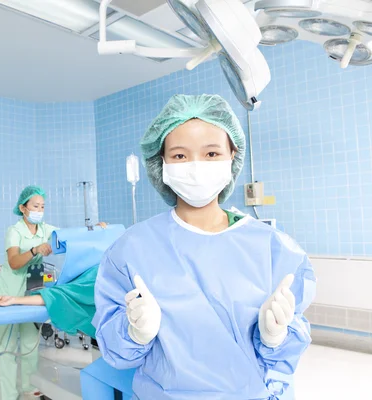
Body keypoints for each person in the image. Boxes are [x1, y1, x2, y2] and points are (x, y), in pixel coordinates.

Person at [92, 95, 316, 400]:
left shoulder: (273, 249)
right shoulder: (131, 250)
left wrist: (275, 337)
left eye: (211, 153)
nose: (196, 167)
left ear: (232, 155)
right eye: (181, 156)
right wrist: (134, 334)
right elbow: (117, 353)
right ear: (162, 163)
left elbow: (283, 361)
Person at [0, 185, 107, 399]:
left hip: (30, 290)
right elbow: (14, 262)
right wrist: (35, 249)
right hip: (9, 288)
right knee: (7, 345)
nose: (40, 209)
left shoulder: (45, 230)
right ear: (23, 208)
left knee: (29, 341)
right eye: (35, 206)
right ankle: (8, 394)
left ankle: (28, 386)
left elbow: (72, 237)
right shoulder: (15, 231)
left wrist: (96, 229)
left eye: (43, 206)